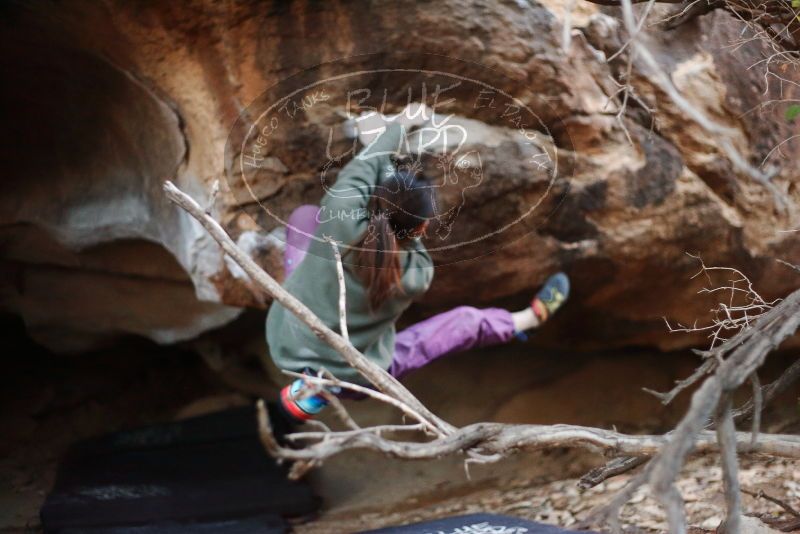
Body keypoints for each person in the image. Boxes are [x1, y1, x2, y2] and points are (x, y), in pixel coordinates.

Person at [266, 106, 570, 423]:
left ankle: (311, 383)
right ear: (422, 228)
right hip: (353, 377)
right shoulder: (416, 273)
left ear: (377, 200)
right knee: (460, 324)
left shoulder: (340, 219)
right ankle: (526, 321)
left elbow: (361, 170)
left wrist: (394, 130)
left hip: (286, 341)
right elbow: (401, 229)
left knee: (305, 217)